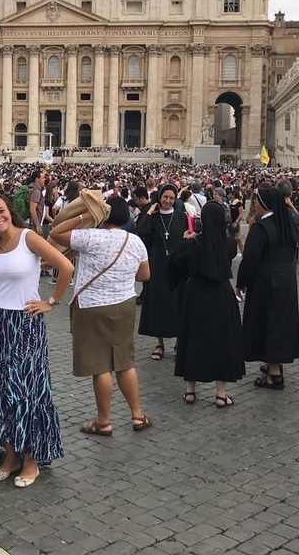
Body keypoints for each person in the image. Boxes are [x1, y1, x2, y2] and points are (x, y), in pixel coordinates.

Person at [0, 193, 73, 489]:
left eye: (0, 211)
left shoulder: (29, 237)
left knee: (26, 391)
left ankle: (31, 461)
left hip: (25, 323)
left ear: (9, 212)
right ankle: (10, 456)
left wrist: (51, 301)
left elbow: (66, 267)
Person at [50, 196, 151, 435]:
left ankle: (103, 421)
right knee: (125, 362)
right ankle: (137, 415)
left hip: (92, 306)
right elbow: (144, 275)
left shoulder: (90, 237)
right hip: (124, 304)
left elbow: (56, 233)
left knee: (101, 366)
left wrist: (86, 216)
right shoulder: (135, 241)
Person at [169, 202, 245, 406]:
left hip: (196, 294)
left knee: (193, 338)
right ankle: (221, 394)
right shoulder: (228, 245)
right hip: (221, 295)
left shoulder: (192, 244)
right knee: (222, 342)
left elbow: (176, 262)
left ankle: (190, 390)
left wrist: (184, 241)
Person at [236, 187, 299, 389]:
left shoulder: (261, 227)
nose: (254, 204)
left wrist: (240, 283)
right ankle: (276, 363)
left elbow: (250, 258)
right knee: (281, 323)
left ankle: (274, 375)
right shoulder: (287, 222)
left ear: (263, 204)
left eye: (256, 202)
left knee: (268, 324)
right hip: (287, 278)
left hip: (266, 280)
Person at [136, 184, 187, 360]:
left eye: (171, 198)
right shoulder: (153, 217)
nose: (168, 201)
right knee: (158, 304)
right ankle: (159, 343)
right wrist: (150, 212)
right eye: (165, 197)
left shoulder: (181, 217)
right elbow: (141, 231)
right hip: (156, 265)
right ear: (159, 198)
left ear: (175, 199)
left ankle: (180, 342)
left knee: (178, 304)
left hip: (177, 266)